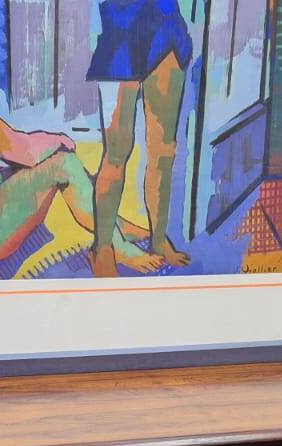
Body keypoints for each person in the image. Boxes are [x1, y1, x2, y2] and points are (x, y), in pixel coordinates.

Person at [0, 3, 158, 277]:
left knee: (57, 165)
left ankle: (115, 226)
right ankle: (117, 245)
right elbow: (22, 149)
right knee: (64, 165)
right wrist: (59, 139)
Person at [87, 0, 192, 276]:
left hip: (167, 28)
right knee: (116, 152)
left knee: (164, 151)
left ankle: (158, 240)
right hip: (120, 33)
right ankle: (103, 248)